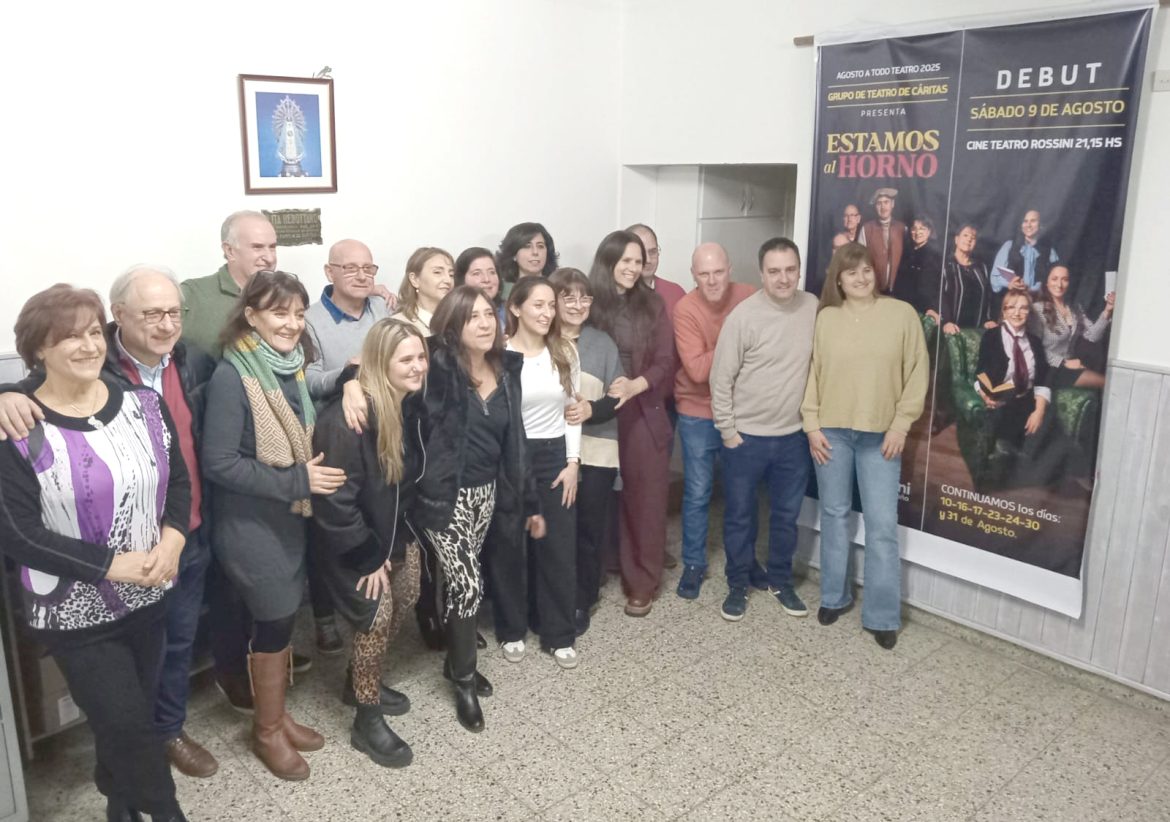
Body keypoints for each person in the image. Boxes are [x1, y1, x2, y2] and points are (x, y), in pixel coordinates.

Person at [0, 266, 220, 779]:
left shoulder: (192, 359)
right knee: (120, 701)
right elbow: (43, 386)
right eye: (152, 313)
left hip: (183, 530)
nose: (166, 324)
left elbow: (186, 460)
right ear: (119, 316)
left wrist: (177, 535)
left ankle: (166, 730)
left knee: (177, 644)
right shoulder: (96, 372)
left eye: (174, 313)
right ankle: (144, 755)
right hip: (99, 577)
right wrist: (4, 391)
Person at [202, 270, 343, 780]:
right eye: (279, 312)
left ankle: (276, 716)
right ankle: (265, 731)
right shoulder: (232, 375)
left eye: (299, 313)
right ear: (251, 315)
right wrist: (298, 480)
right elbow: (219, 463)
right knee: (276, 617)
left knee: (278, 622)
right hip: (249, 524)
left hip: (287, 518)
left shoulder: (290, 367)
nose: (291, 323)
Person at [412, 286, 543, 730]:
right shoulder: (435, 365)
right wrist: (352, 386)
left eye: (490, 314)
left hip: (486, 494)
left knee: (459, 583)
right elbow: (380, 369)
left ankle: (455, 663)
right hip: (443, 496)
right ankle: (464, 682)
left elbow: (516, 439)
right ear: (453, 325)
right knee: (469, 584)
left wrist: (529, 500)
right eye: (473, 317)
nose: (486, 323)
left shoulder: (506, 369)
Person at [311, 319, 428, 768]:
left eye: (421, 357)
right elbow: (335, 503)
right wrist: (367, 557)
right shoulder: (348, 420)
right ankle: (366, 718)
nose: (417, 366)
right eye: (406, 359)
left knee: (408, 594)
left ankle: (358, 679)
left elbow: (402, 484)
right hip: (352, 544)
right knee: (375, 616)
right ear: (380, 362)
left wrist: (404, 538)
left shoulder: (406, 404)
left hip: (393, 531)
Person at [802, 243, 929, 650]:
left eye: (867, 270)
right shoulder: (826, 318)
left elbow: (917, 374)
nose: (861, 278)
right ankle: (833, 597)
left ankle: (882, 615)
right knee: (834, 514)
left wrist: (900, 426)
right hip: (831, 433)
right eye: (851, 272)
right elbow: (813, 373)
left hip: (881, 437)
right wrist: (811, 425)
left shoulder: (901, 314)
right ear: (838, 279)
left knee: (881, 525)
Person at [709, 239, 815, 619]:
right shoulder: (743, 317)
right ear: (761, 274)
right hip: (746, 438)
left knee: (786, 517)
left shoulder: (813, 308)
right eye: (774, 271)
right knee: (740, 516)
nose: (783, 278)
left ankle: (780, 581)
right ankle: (738, 584)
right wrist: (728, 432)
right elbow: (721, 379)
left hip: (793, 438)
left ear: (799, 270)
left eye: (790, 270)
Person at [303, 239, 392, 656]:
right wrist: (349, 374)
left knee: (372, 513)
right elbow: (309, 378)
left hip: (383, 426)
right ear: (329, 272)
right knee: (332, 520)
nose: (361, 276)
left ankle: (371, 603)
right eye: (350, 268)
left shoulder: (382, 309)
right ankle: (325, 617)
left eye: (368, 269)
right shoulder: (310, 320)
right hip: (336, 432)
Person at [587, 230, 677, 617]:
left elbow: (666, 360)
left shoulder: (652, 304)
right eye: (625, 260)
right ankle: (602, 566)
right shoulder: (590, 302)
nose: (633, 268)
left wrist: (635, 384)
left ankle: (642, 581)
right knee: (597, 495)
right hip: (596, 413)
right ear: (608, 261)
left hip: (642, 410)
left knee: (645, 498)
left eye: (638, 261)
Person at [502, 277, 582, 667]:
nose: (547, 313)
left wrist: (573, 462)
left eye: (552, 305)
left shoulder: (564, 350)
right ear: (516, 308)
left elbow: (573, 410)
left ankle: (559, 633)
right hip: (511, 456)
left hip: (554, 455)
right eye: (538, 305)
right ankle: (512, 628)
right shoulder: (499, 353)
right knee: (512, 547)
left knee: (558, 546)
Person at [672, 243, 755, 600]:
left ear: (729, 269)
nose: (712, 280)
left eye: (718, 272)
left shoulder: (749, 297)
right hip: (697, 410)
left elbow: (764, 353)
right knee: (698, 491)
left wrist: (722, 353)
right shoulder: (685, 308)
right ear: (693, 276)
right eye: (704, 274)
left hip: (741, 410)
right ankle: (693, 564)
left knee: (743, 491)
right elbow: (696, 370)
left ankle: (746, 561)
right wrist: (739, 346)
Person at [548, 268, 622, 636]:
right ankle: (553, 597)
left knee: (589, 531)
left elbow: (618, 395)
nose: (578, 305)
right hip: (553, 453)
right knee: (555, 530)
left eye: (584, 298)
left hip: (598, 451)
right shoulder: (541, 341)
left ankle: (582, 599)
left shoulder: (603, 343)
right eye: (569, 297)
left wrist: (592, 409)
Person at [976, 290, 1088, 488]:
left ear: (1029, 312)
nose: (1017, 313)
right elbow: (980, 373)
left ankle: (1064, 476)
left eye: (1023, 308)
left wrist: (1039, 411)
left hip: (1027, 400)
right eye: (1011, 307)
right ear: (1004, 311)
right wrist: (985, 395)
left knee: (1059, 441)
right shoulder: (992, 337)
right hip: (1003, 402)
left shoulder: (1034, 342)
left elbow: (1042, 379)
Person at [180, 210, 278, 357]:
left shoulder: (285, 297)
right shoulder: (192, 295)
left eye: (272, 247)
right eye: (257, 247)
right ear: (230, 251)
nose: (270, 258)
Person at [1029, 264, 1114, 389]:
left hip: (1067, 367)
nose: (1059, 284)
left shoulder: (1074, 308)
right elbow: (1034, 348)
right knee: (1106, 383)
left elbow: (1093, 336)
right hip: (1048, 369)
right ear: (1046, 283)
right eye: (1054, 279)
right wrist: (1065, 362)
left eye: (1064, 279)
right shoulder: (1038, 309)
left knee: (1106, 383)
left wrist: (1107, 310)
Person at [935, 223, 996, 336]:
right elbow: (939, 296)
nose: (969, 239)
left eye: (973, 238)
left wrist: (988, 319)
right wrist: (946, 322)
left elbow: (988, 297)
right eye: (965, 235)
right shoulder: (944, 265)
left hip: (976, 331)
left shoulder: (981, 268)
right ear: (956, 239)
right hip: (950, 329)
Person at [991, 209, 1060, 293]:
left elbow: (1056, 279)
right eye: (1025, 221)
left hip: (1037, 299)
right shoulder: (1008, 246)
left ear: (1040, 225)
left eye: (1033, 221)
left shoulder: (1050, 251)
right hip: (1013, 298)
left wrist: (1037, 288)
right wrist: (1009, 283)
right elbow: (994, 277)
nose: (1028, 225)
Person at [628, 223, 687, 320]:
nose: (648, 260)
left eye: (652, 252)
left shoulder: (675, 292)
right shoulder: (615, 295)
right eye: (641, 253)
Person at [393, 247, 455, 334]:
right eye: (437, 272)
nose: (448, 280)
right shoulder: (398, 327)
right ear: (414, 279)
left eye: (451, 274)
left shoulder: (458, 323)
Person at [857, 188, 906, 294]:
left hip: (899, 290)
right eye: (879, 203)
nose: (883, 207)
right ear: (875, 206)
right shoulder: (866, 229)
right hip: (874, 289)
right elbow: (860, 260)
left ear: (892, 204)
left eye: (886, 202)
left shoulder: (903, 228)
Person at [893, 216, 943, 314]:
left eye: (922, 229)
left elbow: (931, 286)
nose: (917, 232)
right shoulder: (907, 251)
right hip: (903, 304)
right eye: (914, 228)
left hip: (922, 307)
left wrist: (930, 308)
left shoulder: (933, 255)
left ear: (929, 232)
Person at [455, 246, 505, 328]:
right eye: (477, 273)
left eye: (492, 272)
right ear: (461, 279)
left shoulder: (510, 312)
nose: (486, 279)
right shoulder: (452, 315)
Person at [496, 222, 559, 287]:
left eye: (540, 246)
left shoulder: (558, 288)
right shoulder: (501, 290)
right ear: (513, 254)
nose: (535, 252)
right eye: (527, 246)